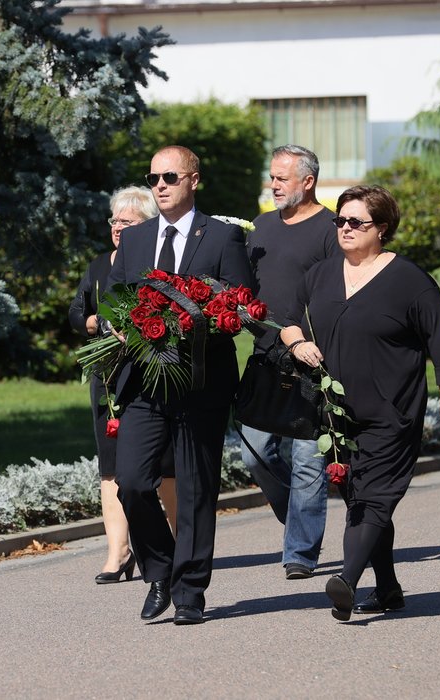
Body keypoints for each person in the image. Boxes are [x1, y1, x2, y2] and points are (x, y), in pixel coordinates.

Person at [279, 185, 440, 622]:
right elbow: (286, 316)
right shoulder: (322, 274)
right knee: (359, 498)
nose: (344, 228)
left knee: (375, 498)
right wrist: (298, 343)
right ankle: (388, 588)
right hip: (337, 414)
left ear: (381, 229)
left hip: (392, 412)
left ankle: (346, 579)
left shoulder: (409, 281)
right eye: (340, 221)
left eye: (355, 222)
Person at [107, 145, 254, 625]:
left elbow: (240, 304)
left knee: (194, 489)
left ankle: (190, 591)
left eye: (170, 176)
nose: (161, 185)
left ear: (194, 179)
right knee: (130, 480)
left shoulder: (223, 237)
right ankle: (159, 568)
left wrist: (200, 318)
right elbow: (115, 300)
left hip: (200, 381)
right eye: (153, 178)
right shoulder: (135, 240)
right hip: (144, 381)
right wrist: (118, 323)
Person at [239, 145, 339, 580]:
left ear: (308, 181)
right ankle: (298, 515)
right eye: (272, 177)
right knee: (255, 452)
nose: (273, 185)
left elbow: (340, 292)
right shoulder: (260, 226)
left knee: (306, 459)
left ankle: (299, 552)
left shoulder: (331, 229)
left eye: (282, 178)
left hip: (312, 359)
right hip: (265, 355)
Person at [69, 186, 178, 584]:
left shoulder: (158, 264)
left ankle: (178, 546)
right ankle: (118, 553)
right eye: (114, 220)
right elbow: (77, 311)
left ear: (147, 226)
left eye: (127, 221)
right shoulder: (99, 266)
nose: (117, 227)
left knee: (164, 467)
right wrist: (93, 323)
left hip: (153, 373)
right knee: (112, 467)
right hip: (109, 376)